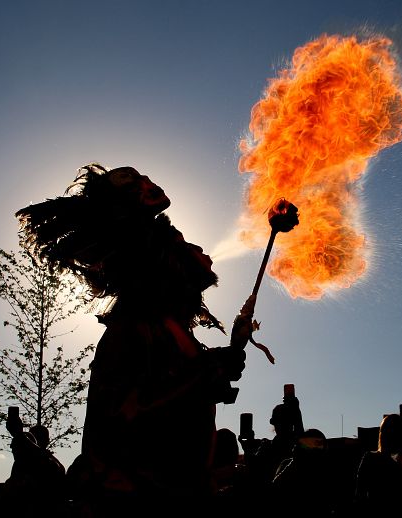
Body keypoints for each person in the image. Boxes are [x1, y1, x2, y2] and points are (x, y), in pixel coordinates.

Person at [16, 163, 252, 517]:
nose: (199, 247)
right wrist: (211, 370)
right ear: (162, 263)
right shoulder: (133, 329)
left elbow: (185, 389)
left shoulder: (171, 331)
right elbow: (130, 416)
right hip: (134, 512)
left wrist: (230, 353)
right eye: (184, 244)